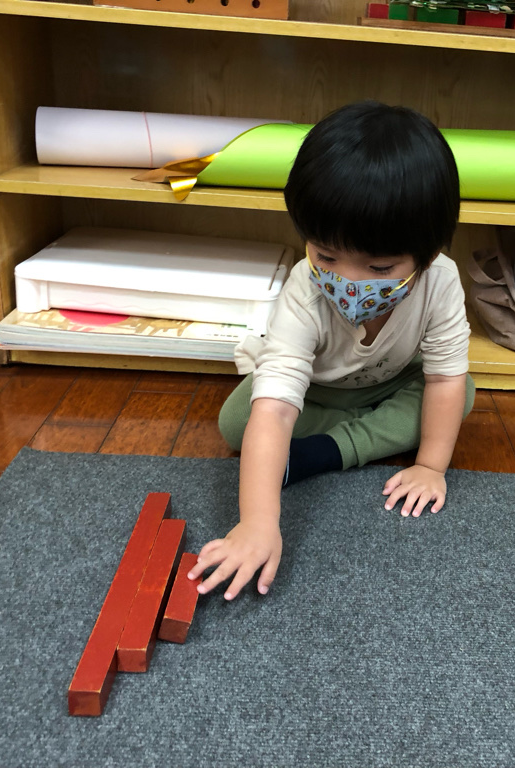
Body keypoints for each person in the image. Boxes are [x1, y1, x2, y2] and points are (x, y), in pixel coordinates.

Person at [187, 100, 475, 600]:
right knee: (239, 421)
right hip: (317, 390)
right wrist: (257, 522)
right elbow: (275, 409)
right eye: (326, 255)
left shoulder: (441, 280)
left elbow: (445, 378)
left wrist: (431, 466)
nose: (348, 281)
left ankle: (326, 451)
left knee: (461, 392)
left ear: (427, 256)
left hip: (391, 382)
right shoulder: (305, 290)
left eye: (379, 269)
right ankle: (358, 436)